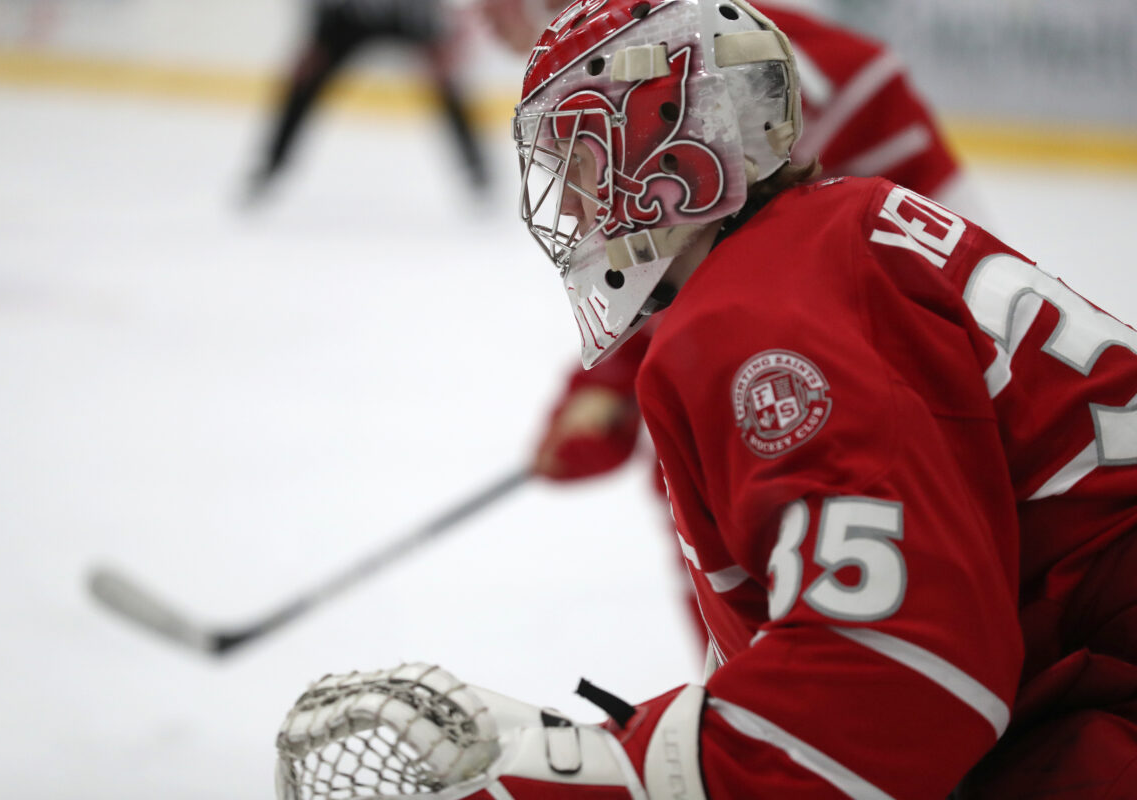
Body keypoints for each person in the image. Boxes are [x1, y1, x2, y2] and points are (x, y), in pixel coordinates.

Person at [280, 1, 1137, 797]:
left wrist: (599, 773)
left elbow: (902, 676)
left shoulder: (757, 320)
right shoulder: (830, 233)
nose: (569, 205)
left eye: (578, 159)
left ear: (666, 158)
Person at [490, 0, 985, 652]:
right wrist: (609, 387)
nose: (575, 212)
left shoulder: (824, 79)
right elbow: (686, 235)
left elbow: (942, 295)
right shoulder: (674, 55)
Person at [246, 0, 489, 202]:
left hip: (409, 12)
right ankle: (271, 165)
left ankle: (478, 172)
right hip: (348, 14)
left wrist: (444, 31)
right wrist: (317, 35)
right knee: (306, 79)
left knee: (446, 79)